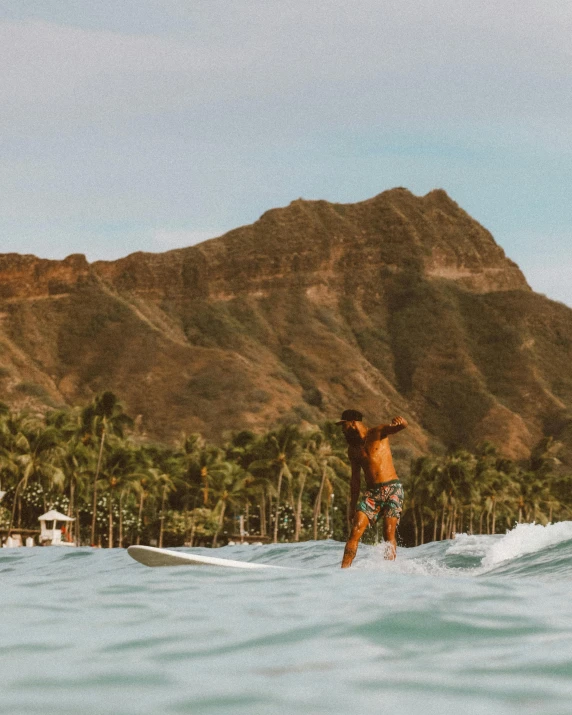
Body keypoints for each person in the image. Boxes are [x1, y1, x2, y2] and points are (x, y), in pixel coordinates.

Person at [337, 409, 408, 568]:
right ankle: (343, 571)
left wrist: (401, 422)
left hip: (393, 489)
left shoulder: (378, 433)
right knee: (354, 531)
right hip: (372, 494)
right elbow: (355, 480)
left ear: (353, 423)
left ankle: (388, 571)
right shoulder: (353, 450)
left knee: (388, 533)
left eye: (344, 425)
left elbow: (401, 426)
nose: (342, 430)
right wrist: (352, 506)